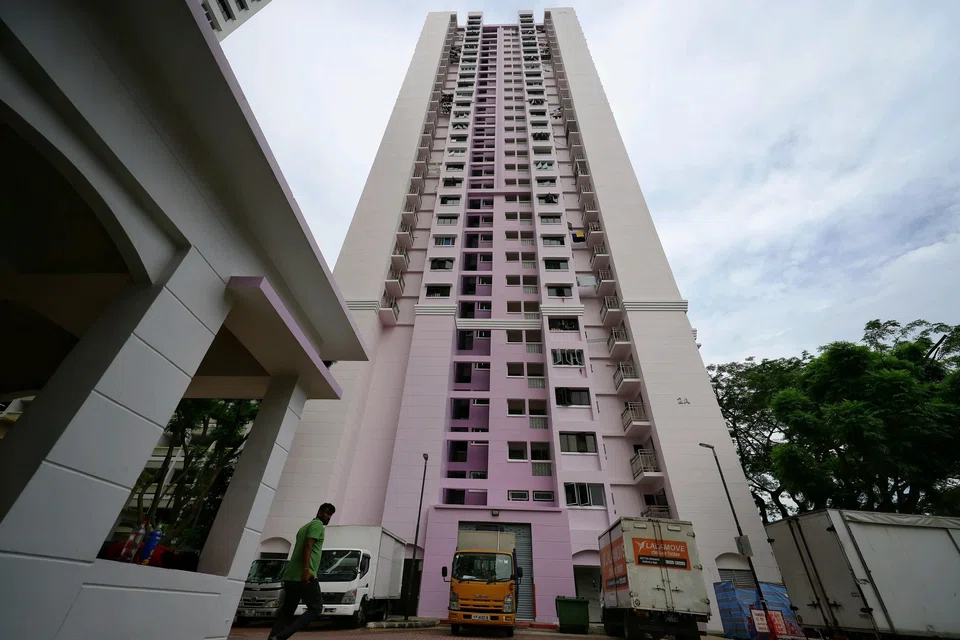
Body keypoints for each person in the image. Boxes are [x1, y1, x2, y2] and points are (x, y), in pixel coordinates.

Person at [268, 503, 336, 640]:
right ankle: (281, 637)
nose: (328, 517)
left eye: (330, 515)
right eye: (327, 513)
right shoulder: (317, 525)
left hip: (291, 576)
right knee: (316, 608)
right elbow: (308, 546)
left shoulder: (304, 527)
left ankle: (273, 638)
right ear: (320, 512)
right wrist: (306, 571)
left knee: (287, 612)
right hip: (305, 576)